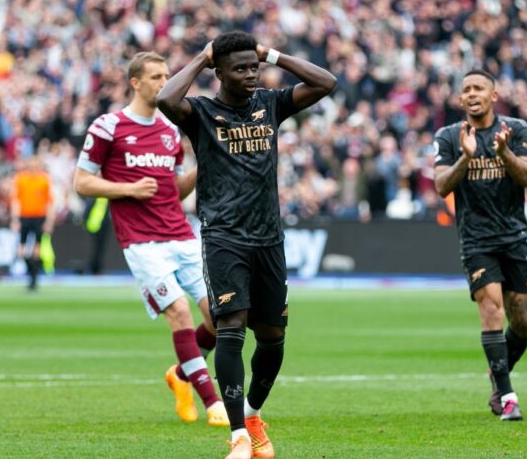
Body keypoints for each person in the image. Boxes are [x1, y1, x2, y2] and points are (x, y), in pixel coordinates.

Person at [157, 31, 336, 458]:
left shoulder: (270, 104)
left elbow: (326, 83)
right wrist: (201, 59)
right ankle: (238, 435)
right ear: (219, 72)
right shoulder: (200, 112)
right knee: (232, 329)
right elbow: (166, 100)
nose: (251, 75)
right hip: (224, 238)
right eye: (239, 69)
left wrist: (271, 54)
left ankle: (253, 415)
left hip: (269, 239)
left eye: (254, 67)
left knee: (273, 340)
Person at [73, 51, 229, 427]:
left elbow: (174, 192)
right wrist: (125, 188)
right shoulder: (108, 127)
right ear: (136, 82)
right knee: (178, 311)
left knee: (220, 317)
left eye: (166, 76)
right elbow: (81, 182)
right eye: (157, 77)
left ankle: (180, 374)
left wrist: (201, 167)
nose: (164, 83)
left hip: (180, 233)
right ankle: (213, 403)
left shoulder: (169, 131)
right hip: (141, 242)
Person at [433, 69, 527, 421]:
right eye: (466, 90)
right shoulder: (449, 136)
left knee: (521, 320)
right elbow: (441, 187)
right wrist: (465, 156)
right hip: (476, 240)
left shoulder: (516, 130)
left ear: (494, 95)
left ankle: (497, 372)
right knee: (492, 310)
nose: (472, 94)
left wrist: (504, 152)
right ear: (460, 100)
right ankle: (507, 397)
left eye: (479, 88)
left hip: (513, 237)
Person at [10, 155, 55, 291]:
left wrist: (49, 221)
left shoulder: (44, 180)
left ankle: (34, 279)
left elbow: (49, 202)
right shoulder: (21, 179)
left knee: (37, 248)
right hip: (25, 216)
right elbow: (16, 200)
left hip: (39, 217)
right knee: (21, 250)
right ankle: (31, 272)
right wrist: (15, 219)